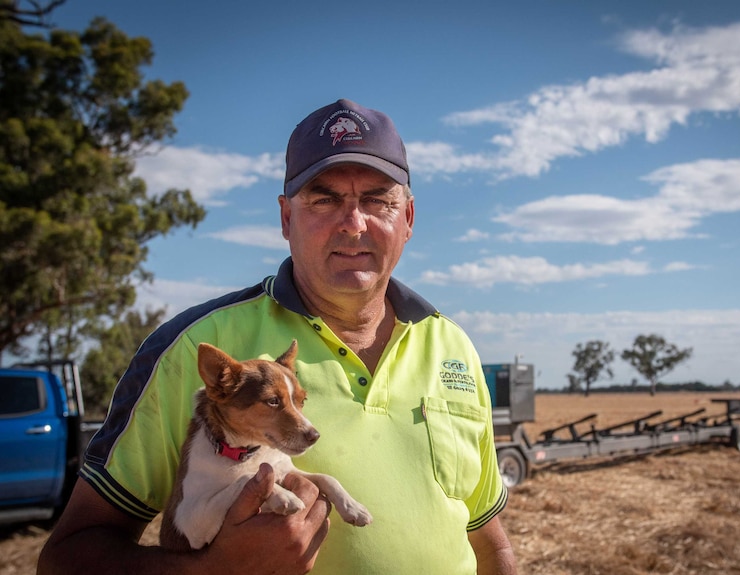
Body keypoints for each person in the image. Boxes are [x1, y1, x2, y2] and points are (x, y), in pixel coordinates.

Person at [38, 99, 517, 574]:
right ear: (287, 218)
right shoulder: (193, 346)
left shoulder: (452, 347)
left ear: (407, 218)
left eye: (377, 200)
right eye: (324, 199)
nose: (353, 224)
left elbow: (487, 541)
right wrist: (213, 571)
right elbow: (65, 559)